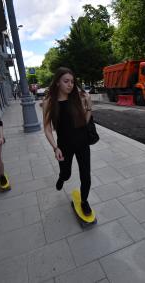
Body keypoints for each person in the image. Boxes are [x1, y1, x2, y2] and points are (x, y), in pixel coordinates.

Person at [43, 67, 93, 215]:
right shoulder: (49, 102)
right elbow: (47, 128)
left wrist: (89, 105)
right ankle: (61, 177)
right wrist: (55, 148)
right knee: (67, 173)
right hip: (64, 145)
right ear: (58, 82)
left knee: (86, 175)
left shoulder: (77, 98)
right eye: (66, 81)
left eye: (72, 81)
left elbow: (84, 121)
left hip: (82, 142)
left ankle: (84, 201)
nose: (70, 85)